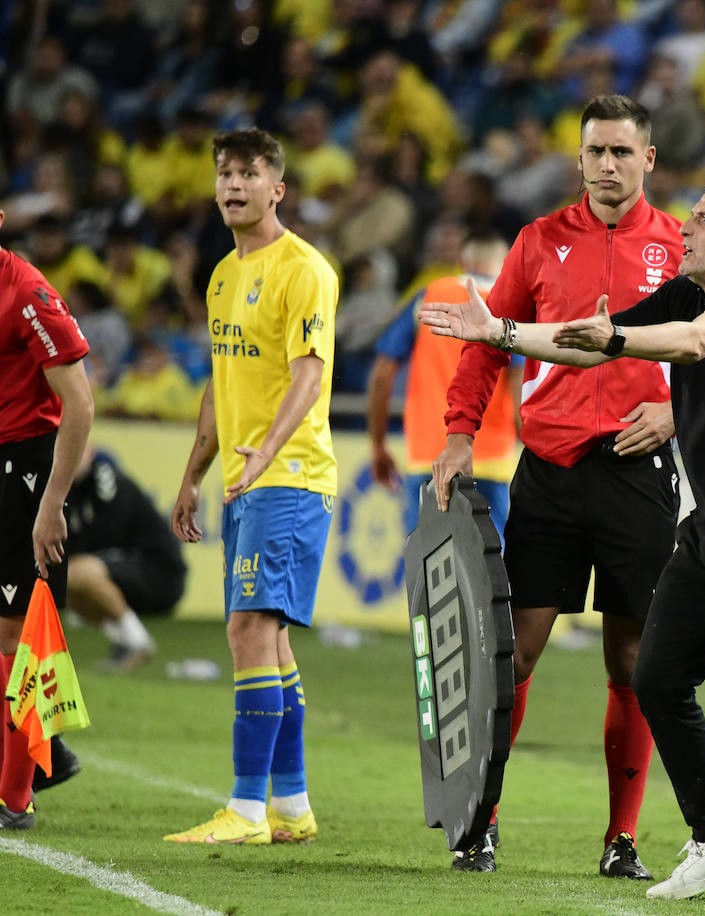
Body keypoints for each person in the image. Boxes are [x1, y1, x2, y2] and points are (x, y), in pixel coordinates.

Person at [423, 182, 705, 909]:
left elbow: (694, 342)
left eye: (703, 218)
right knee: (658, 677)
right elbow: (585, 342)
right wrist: (501, 334)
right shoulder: (684, 292)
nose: (687, 226)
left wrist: (616, 338)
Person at [429, 95, 681, 877]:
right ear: (578, 161)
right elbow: (483, 348)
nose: (607, 165)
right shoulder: (539, 242)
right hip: (552, 472)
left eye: (621, 152)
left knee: (633, 658)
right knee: (517, 649)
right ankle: (482, 819)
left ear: (648, 160)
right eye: (595, 152)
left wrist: (675, 416)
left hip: (640, 471)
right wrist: (460, 435)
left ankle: (622, 839)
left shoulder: (679, 245)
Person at [165, 127, 339, 846]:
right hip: (246, 480)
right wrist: (194, 474)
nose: (234, 184)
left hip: (291, 474)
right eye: (225, 173)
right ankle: (292, 809)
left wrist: (267, 448)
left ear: (278, 188)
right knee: (272, 643)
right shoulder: (222, 276)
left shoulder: (305, 269)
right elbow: (220, 380)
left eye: (249, 172)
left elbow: (309, 371)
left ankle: (244, 809)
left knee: (247, 629)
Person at [0, 205, 96, 829]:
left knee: (14, 637)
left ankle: (14, 798)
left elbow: (80, 404)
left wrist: (52, 504)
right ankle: (47, 756)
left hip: (22, 468)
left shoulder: (27, 292)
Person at [366, 232, 519, 536]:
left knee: (428, 570)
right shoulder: (511, 304)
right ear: (507, 266)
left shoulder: (428, 296)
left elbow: (381, 375)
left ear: (462, 263)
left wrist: (378, 445)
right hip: (491, 460)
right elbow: (520, 397)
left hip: (428, 457)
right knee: (492, 572)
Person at [66, 445, 186, 671]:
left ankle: (138, 642)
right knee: (62, 580)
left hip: (159, 571)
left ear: (89, 451)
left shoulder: (104, 481)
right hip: (125, 566)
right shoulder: (71, 492)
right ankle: (124, 641)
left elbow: (105, 537)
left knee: (76, 573)